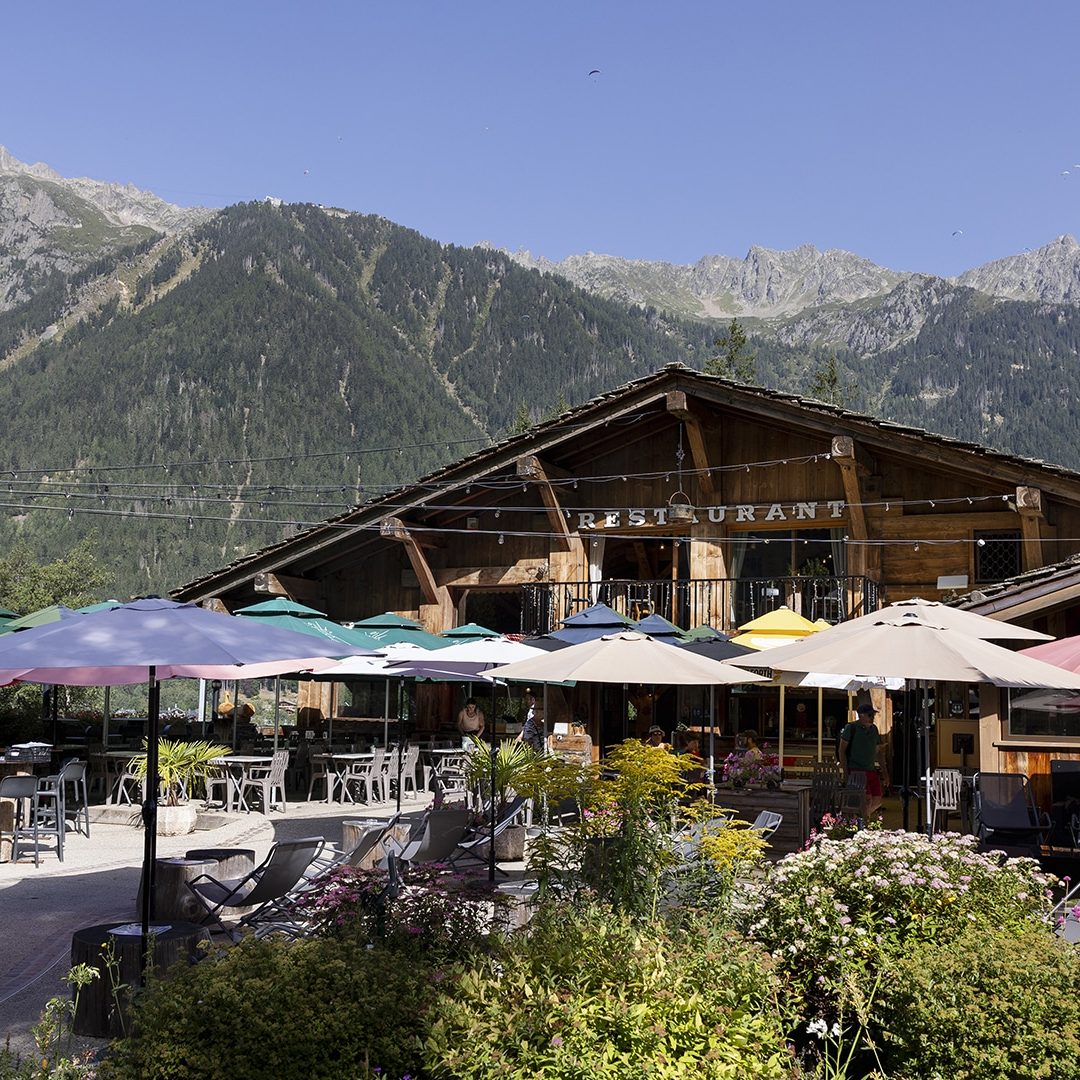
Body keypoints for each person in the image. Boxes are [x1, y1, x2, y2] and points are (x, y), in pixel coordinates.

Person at [838, 703, 890, 818]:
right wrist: (846, 773)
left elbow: (879, 752)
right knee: (866, 799)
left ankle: (862, 819)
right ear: (861, 715)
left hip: (870, 769)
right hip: (856, 769)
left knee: (877, 799)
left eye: (873, 715)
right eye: (870, 715)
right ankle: (862, 823)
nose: (872, 717)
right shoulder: (851, 728)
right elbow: (841, 751)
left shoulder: (874, 729)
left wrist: (885, 773)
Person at [517, 689, 545, 753]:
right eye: (526, 699)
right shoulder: (531, 720)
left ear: (533, 699)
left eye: (527, 699)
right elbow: (528, 738)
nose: (526, 701)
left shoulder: (540, 723)